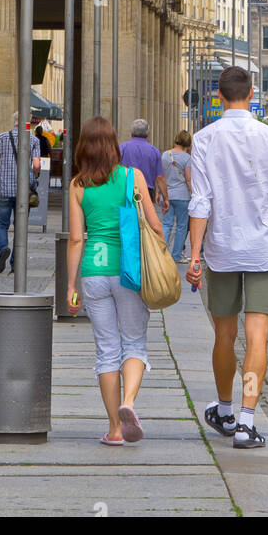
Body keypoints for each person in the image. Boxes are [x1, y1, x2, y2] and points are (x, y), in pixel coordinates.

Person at [186, 66, 268, 450]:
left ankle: (224, 408)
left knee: (224, 335)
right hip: (265, 250)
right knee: (258, 337)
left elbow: (200, 201)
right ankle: (246, 421)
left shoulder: (203, 139)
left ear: (218, 96)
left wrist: (193, 255)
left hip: (221, 249)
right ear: (251, 93)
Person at [67, 117, 163, 446]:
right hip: (129, 272)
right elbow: (154, 225)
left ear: (83, 147)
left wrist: (70, 286)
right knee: (134, 343)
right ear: (113, 146)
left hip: (94, 272)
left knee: (106, 352)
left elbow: (76, 239)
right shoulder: (131, 177)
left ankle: (114, 430)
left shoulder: (78, 185)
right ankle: (129, 403)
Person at [0, 114, 41, 274]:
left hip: (3, 189)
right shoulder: (34, 140)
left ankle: (3, 248)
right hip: (24, 191)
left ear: (14, 122)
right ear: (28, 123)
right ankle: (16, 265)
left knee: (1, 224)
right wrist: (35, 175)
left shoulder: (2, 137)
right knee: (20, 227)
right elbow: (36, 164)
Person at [119, 119, 169, 213]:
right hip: (146, 192)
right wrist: (166, 198)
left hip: (125, 191)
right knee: (145, 222)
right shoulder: (154, 151)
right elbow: (160, 178)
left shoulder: (122, 148)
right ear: (147, 133)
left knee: (126, 221)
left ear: (131, 132)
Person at [161, 130, 192, 262]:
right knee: (181, 226)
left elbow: (160, 176)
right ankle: (177, 255)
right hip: (182, 196)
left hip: (167, 194)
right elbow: (188, 178)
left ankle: (162, 253)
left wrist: (158, 192)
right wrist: (193, 192)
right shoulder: (187, 158)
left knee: (166, 224)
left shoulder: (165, 155)